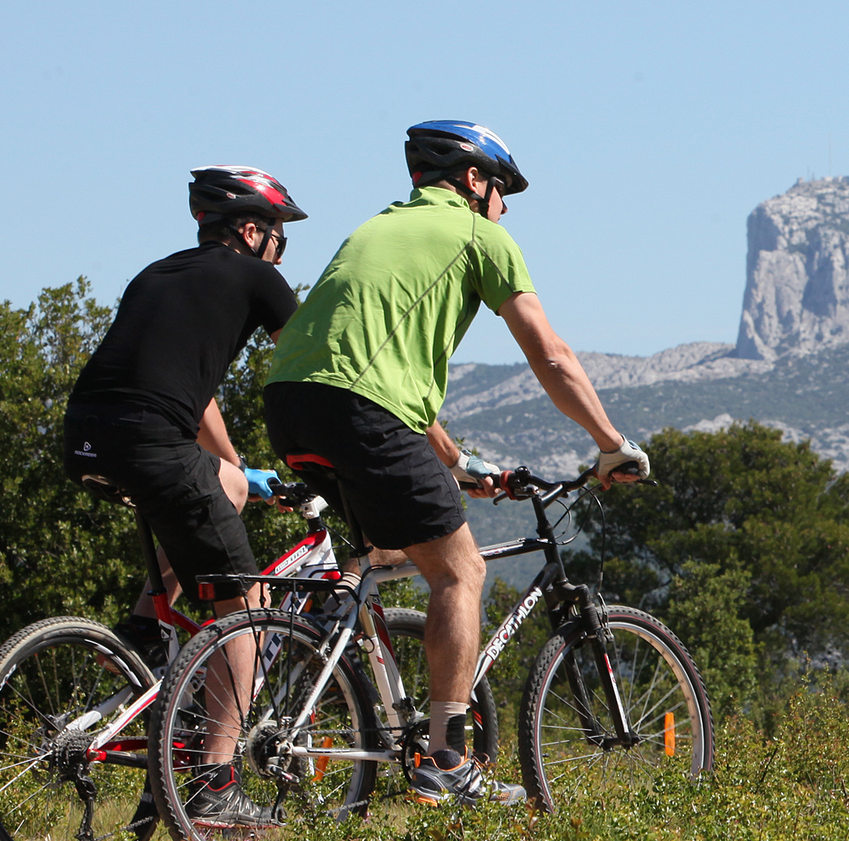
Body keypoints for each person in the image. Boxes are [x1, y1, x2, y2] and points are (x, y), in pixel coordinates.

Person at [264, 119, 647, 807]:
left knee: (383, 553)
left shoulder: (376, 229)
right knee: (461, 569)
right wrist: (609, 440)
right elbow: (549, 354)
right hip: (361, 409)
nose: (504, 208)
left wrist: (458, 460)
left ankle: (313, 647)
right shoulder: (479, 235)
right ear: (474, 180)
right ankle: (447, 758)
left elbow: (374, 368)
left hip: (290, 406)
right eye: (502, 192)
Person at [62, 165, 305, 829]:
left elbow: (185, 390)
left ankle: (142, 636)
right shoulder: (258, 277)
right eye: (281, 234)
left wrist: (234, 467)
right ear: (252, 230)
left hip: (84, 437)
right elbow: (315, 368)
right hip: (151, 445)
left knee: (215, 486)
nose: (283, 249)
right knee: (247, 607)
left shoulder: (157, 274)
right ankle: (214, 786)